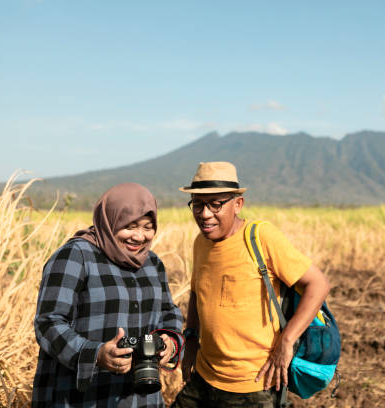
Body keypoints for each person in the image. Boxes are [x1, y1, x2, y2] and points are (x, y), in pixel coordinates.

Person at [171, 161, 331, 408]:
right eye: (198, 204)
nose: (204, 214)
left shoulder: (260, 238)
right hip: (204, 377)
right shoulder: (200, 243)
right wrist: (190, 338)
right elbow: (196, 292)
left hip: (255, 385)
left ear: (238, 204)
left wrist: (287, 340)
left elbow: (318, 284)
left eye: (215, 204)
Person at [32, 183, 183, 407]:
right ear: (110, 220)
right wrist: (95, 354)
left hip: (140, 398)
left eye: (148, 227)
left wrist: (170, 341)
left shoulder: (153, 263)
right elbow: (48, 322)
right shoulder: (75, 256)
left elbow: (168, 311)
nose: (139, 237)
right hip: (81, 397)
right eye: (130, 226)